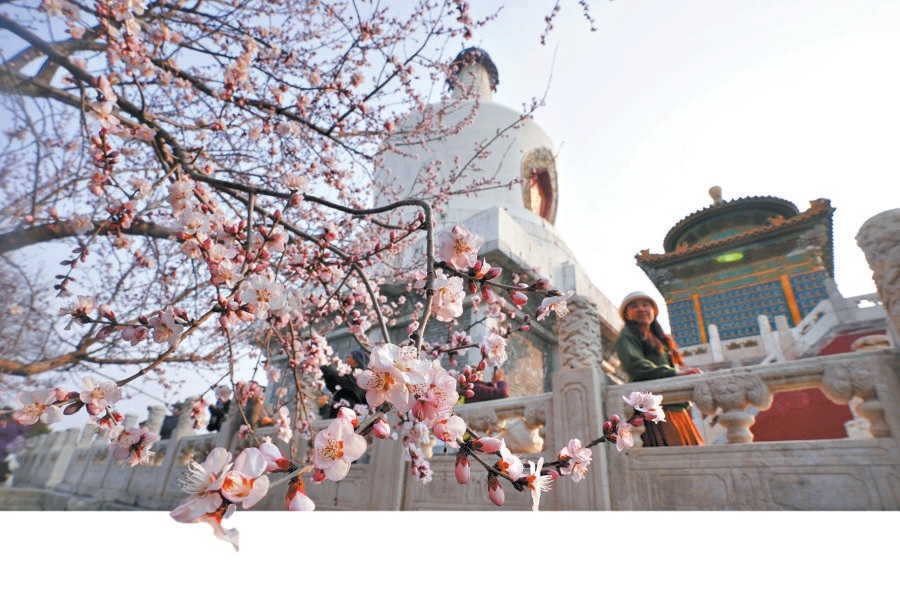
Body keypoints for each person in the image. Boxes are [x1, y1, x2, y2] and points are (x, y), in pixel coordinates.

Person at [615, 291, 705, 446]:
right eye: (634, 306)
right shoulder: (627, 336)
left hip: (676, 407)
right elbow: (634, 364)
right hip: (656, 410)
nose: (641, 309)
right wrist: (674, 373)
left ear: (654, 311)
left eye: (646, 305)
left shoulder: (661, 339)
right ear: (627, 315)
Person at [319, 349, 369, 418]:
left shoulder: (356, 378)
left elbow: (334, 379)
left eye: (349, 357)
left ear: (355, 361)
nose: (346, 360)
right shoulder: (361, 379)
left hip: (345, 418)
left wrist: (322, 362)